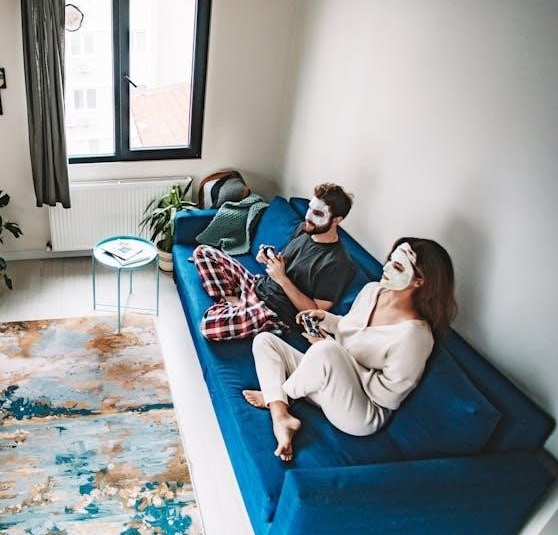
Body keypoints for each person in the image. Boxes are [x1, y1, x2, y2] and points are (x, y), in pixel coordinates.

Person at [242, 237, 457, 462]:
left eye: (398, 266)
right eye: (389, 260)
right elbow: (348, 328)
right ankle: (281, 416)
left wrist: (335, 354)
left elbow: (389, 397)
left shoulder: (415, 336)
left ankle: (278, 395)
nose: (386, 268)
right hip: (328, 380)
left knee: (325, 351)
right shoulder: (373, 290)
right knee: (265, 340)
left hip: (360, 412)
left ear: (419, 282)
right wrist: (326, 319)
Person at [193, 182, 355, 341]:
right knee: (203, 252)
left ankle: (239, 306)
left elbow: (315, 311)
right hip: (258, 284)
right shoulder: (304, 229)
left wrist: (282, 279)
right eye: (310, 208)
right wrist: (269, 257)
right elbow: (287, 262)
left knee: (209, 326)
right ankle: (235, 302)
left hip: (275, 310)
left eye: (318, 214)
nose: (308, 216)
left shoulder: (338, 263)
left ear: (336, 220)